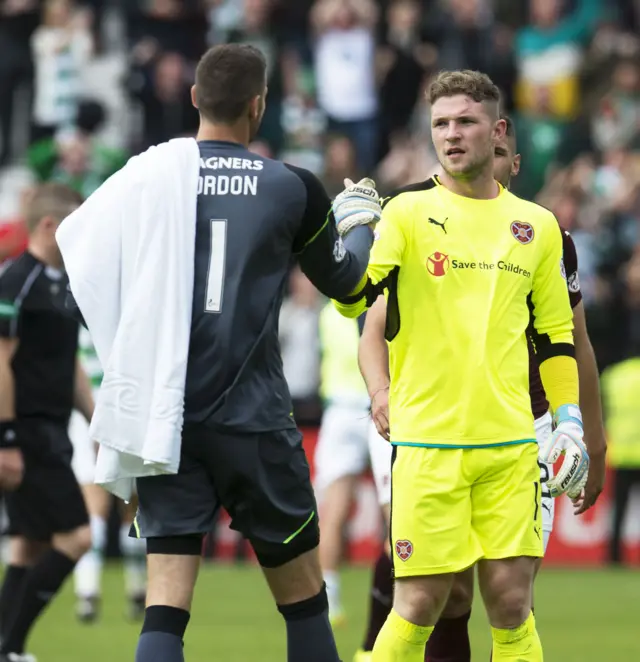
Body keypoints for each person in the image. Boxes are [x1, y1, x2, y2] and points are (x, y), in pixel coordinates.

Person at [62, 44, 381, 662]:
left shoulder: (145, 176)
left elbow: (79, 247)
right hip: (256, 418)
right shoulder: (291, 186)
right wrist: (359, 225)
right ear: (260, 104)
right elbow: (350, 287)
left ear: (193, 99)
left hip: (169, 417)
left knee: (164, 611)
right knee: (305, 604)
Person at [333, 69, 590, 662]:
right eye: (441, 124)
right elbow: (354, 303)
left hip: (512, 447)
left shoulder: (538, 227)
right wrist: (347, 243)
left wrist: (571, 421)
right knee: (418, 604)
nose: (451, 135)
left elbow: (556, 339)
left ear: (497, 131)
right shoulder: (404, 213)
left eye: (465, 122)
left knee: (511, 604)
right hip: (428, 445)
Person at [0, 183, 92, 662]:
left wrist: (97, 422)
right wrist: (6, 439)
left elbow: (69, 363)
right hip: (28, 433)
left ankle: (8, 648)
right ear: (49, 226)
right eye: (74, 225)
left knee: (29, 545)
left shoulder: (64, 285)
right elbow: (0, 362)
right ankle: (9, 647)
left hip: (53, 430)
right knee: (77, 537)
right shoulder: (17, 281)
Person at [314, 303, 391, 627]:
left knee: (334, 511)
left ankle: (329, 602)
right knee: (397, 514)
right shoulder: (383, 305)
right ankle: (396, 600)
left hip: (340, 410)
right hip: (381, 403)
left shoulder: (329, 312)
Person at [69, 326, 147, 623]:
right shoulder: (127, 315)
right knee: (130, 507)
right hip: (123, 415)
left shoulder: (77, 307)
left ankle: (87, 593)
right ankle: (136, 588)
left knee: (97, 508)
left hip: (88, 415)